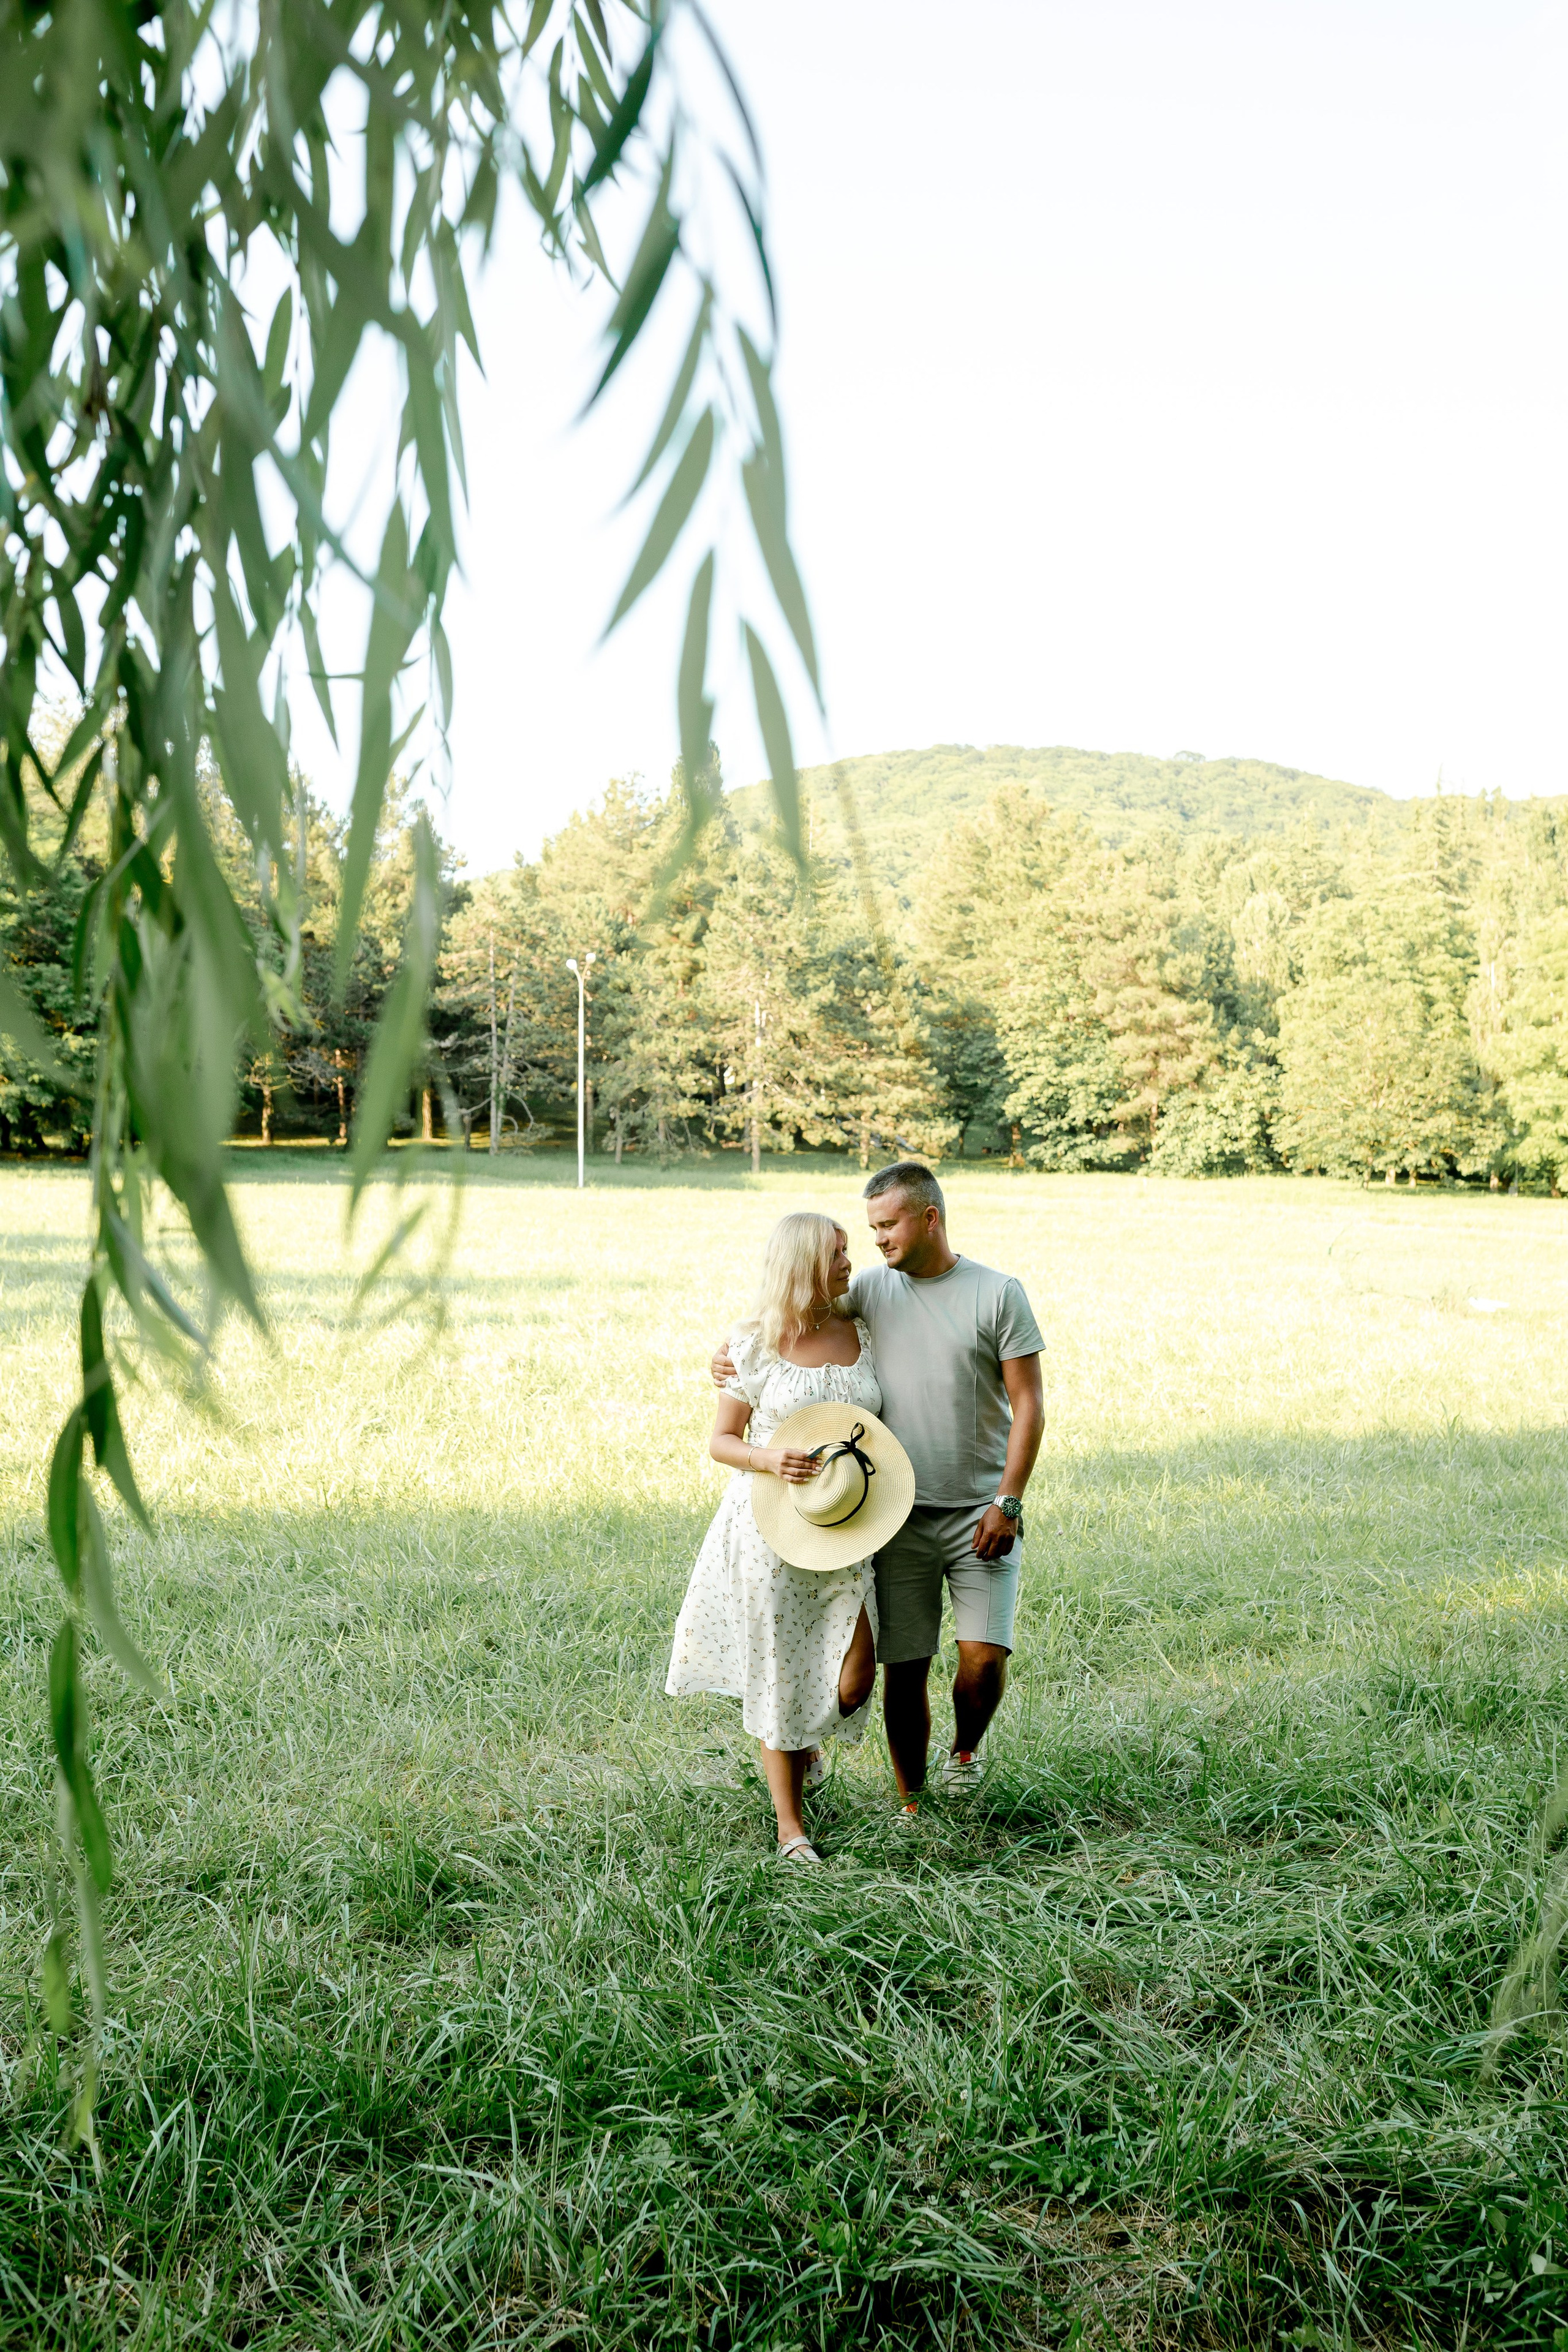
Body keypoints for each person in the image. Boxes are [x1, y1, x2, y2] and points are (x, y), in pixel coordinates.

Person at [713, 1162, 1044, 1812]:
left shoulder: (998, 1293)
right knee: (904, 1667)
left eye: (888, 1225)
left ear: (930, 1217)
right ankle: (912, 1803)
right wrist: (725, 1356)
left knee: (982, 1655)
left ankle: (966, 1754)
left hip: (982, 1511)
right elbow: (789, 1320)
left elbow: (1028, 1405)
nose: (877, 1241)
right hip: (891, 1515)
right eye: (869, 1229)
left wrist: (1008, 1500)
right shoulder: (867, 1290)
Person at [667, 1212, 881, 1863]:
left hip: (849, 1524)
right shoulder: (754, 1342)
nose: (850, 1262)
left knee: (855, 1677)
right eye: (838, 1253)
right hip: (767, 1525)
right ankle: (791, 1828)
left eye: (849, 1251)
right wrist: (768, 1459)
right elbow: (720, 1441)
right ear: (804, 1263)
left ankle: (807, 1747)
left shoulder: (863, 1329)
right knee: (777, 1672)